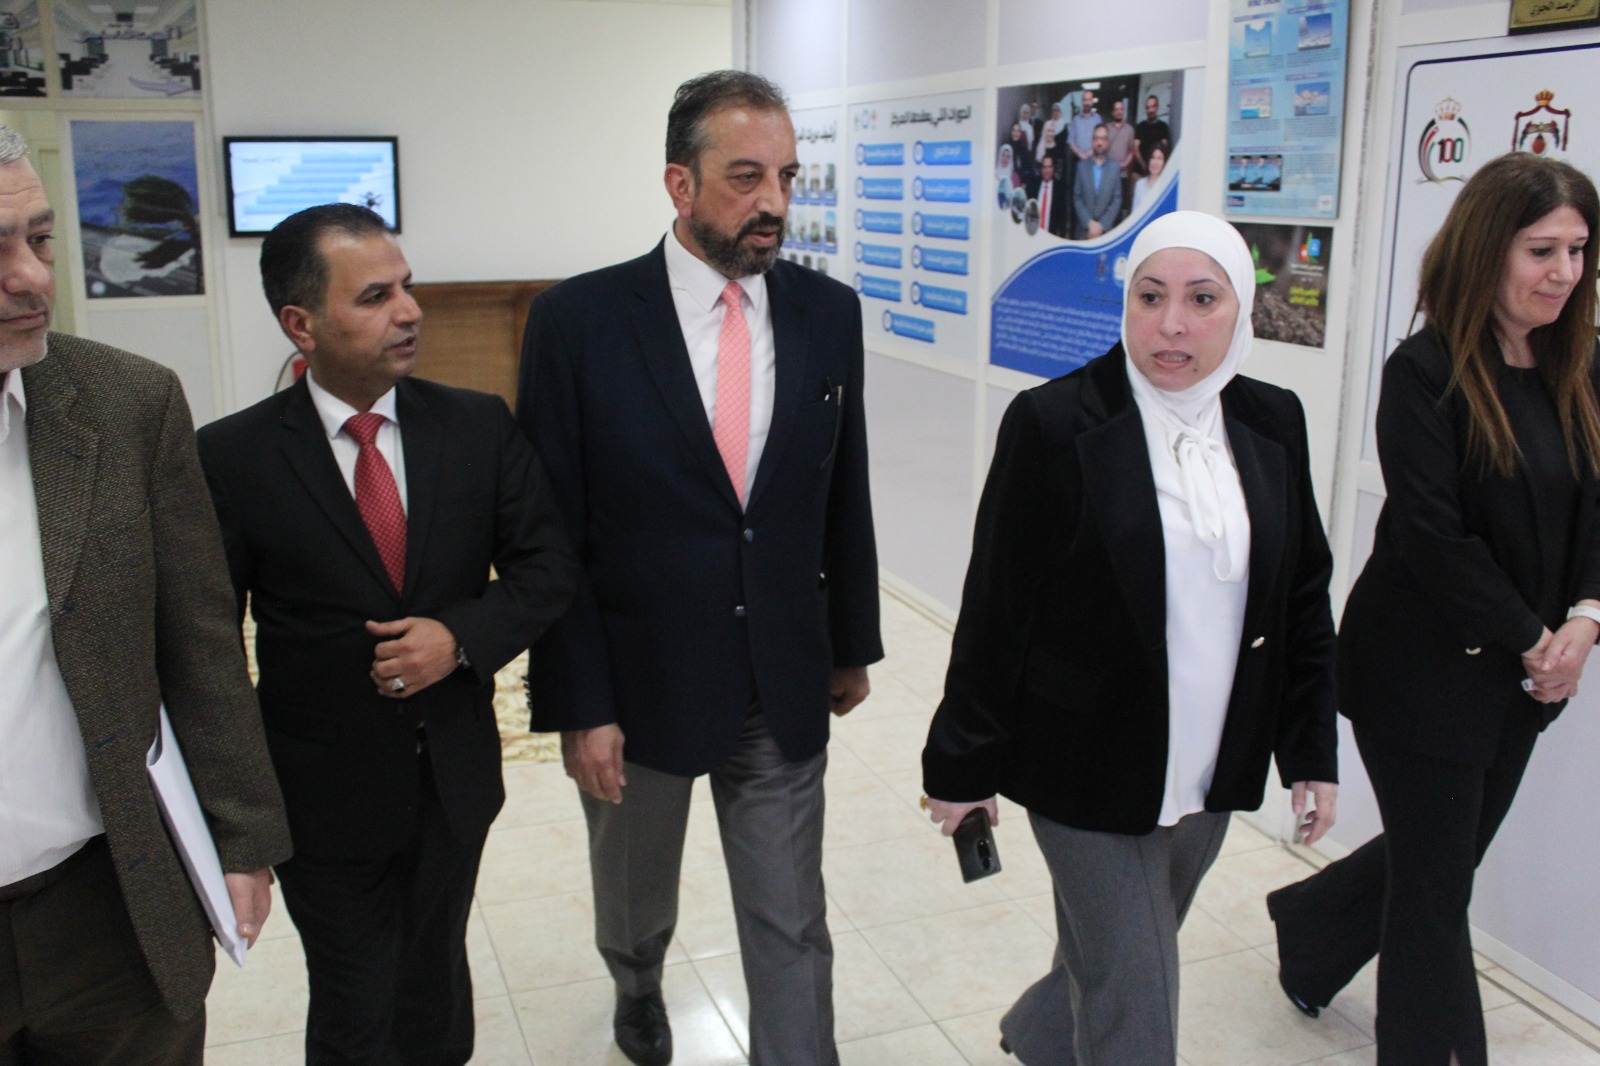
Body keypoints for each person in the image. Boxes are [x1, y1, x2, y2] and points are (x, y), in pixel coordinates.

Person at [517, 70, 882, 1066]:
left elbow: (839, 487)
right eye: (745, 177)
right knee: (635, 894)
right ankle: (636, 982)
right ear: (679, 184)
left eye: (787, 177)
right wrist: (580, 701)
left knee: (792, 920)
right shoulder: (578, 322)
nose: (773, 202)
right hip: (638, 683)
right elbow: (552, 531)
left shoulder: (826, 313)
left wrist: (849, 641)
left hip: (779, 672)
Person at [921, 210, 1339, 1065]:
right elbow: (997, 606)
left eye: (1202, 300)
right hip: (1083, 765)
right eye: (1151, 298)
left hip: (1211, 764)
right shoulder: (1054, 423)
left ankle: (1040, 1036)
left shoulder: (1273, 420)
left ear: (1241, 310)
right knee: (1136, 991)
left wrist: (1310, 752)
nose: (1172, 324)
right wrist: (960, 766)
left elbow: (1302, 597)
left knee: (1118, 954)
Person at [196, 203, 576, 1065]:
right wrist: (232, 815)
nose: (409, 311)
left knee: (434, 990)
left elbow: (548, 568)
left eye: (406, 287)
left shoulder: (477, 425)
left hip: (453, 781)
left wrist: (459, 635)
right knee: (355, 1004)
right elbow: (205, 639)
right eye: (375, 297)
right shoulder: (233, 456)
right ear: (301, 324)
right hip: (319, 797)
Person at [1266, 153, 1600, 1066]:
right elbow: (1431, 535)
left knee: (1439, 858)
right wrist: (1538, 639)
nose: (1564, 273)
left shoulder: (1582, 364)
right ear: (1487, 249)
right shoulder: (1425, 371)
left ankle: (1314, 924)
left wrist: (1585, 619)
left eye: (1577, 250)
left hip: (1527, 673)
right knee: (1435, 894)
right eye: (1541, 250)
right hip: (1419, 673)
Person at [0, 123, 290, 1061]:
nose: (32, 278)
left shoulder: (125, 404)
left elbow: (199, 640)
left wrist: (242, 840)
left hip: (107, 903)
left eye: (41, 239)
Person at [1072, 124, 1122, 239]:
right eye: (1096, 138)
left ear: (1107, 142)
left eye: (1103, 138)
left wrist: (1101, 225)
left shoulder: (1114, 168)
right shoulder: (1081, 167)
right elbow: (1077, 197)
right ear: (1092, 141)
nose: (1099, 142)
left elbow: (1117, 199)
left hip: (1105, 233)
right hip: (1084, 232)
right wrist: (1089, 223)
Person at [1028, 154, 1070, 238]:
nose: (1046, 170)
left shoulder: (1060, 189)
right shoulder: (1033, 186)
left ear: (1053, 168)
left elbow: (1062, 219)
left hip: (1051, 237)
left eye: (1049, 167)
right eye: (1044, 167)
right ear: (1041, 169)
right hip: (1033, 236)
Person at [1134, 93, 1172, 176]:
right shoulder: (1140, 126)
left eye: (1153, 106)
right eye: (1148, 107)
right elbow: (1135, 148)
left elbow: (1164, 148)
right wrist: (1143, 165)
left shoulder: (1163, 127)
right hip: (1140, 170)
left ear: (1157, 107)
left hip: (1157, 171)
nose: (1150, 110)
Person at [1131, 140, 1169, 214]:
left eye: (1159, 158)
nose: (1155, 162)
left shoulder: (1166, 185)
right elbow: (1135, 212)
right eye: (1152, 157)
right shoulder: (1140, 184)